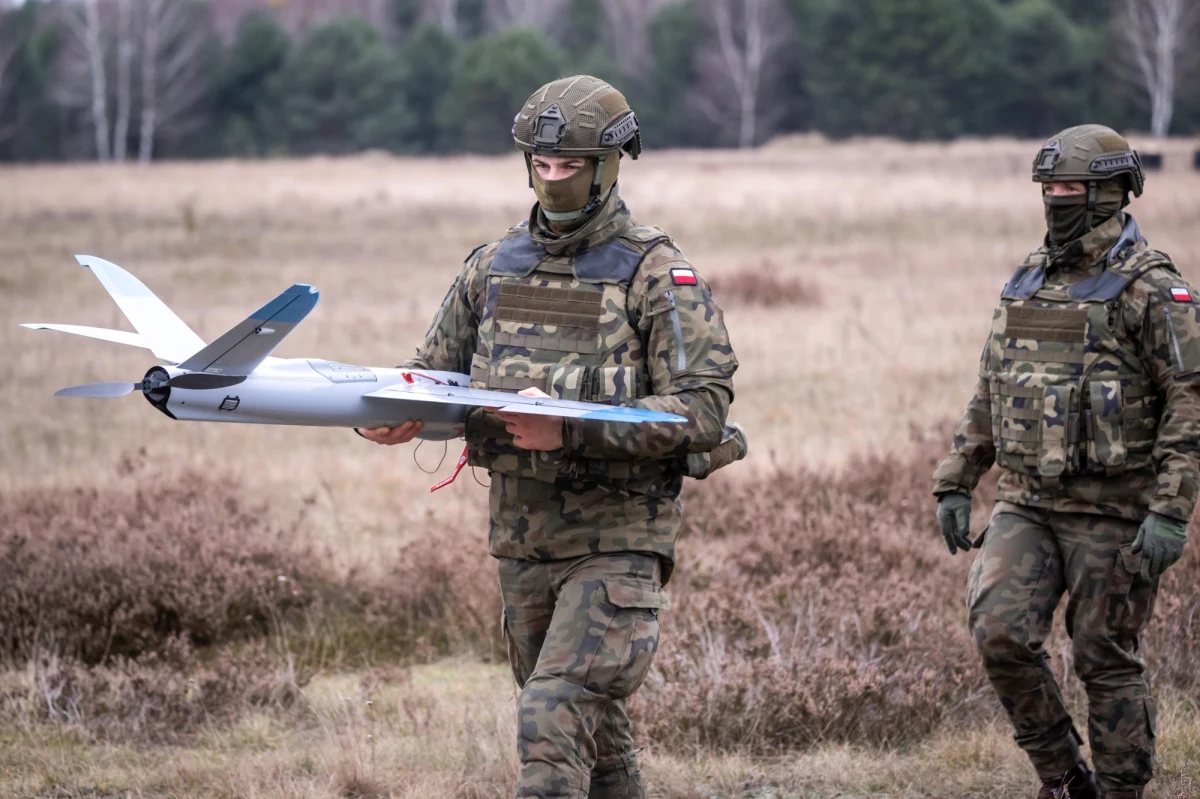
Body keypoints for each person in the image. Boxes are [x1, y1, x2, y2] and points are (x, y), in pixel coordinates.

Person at [358, 75, 744, 799]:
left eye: (569, 165)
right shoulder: (492, 266)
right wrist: (383, 410)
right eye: (543, 163)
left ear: (609, 164)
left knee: (551, 712)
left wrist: (566, 427)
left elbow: (702, 409)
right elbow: (429, 372)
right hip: (522, 542)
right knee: (596, 743)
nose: (554, 177)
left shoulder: (657, 272)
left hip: (620, 544)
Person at [932, 124, 1198, 799]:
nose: (1055, 200)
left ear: (1109, 191)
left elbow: (1190, 400)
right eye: (1048, 188)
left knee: (1102, 653)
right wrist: (957, 479)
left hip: (1115, 508)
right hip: (1026, 501)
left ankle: (1118, 789)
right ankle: (1062, 776)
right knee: (999, 632)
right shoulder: (1027, 279)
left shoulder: (1151, 287)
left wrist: (1170, 509)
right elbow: (992, 388)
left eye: (1070, 188)